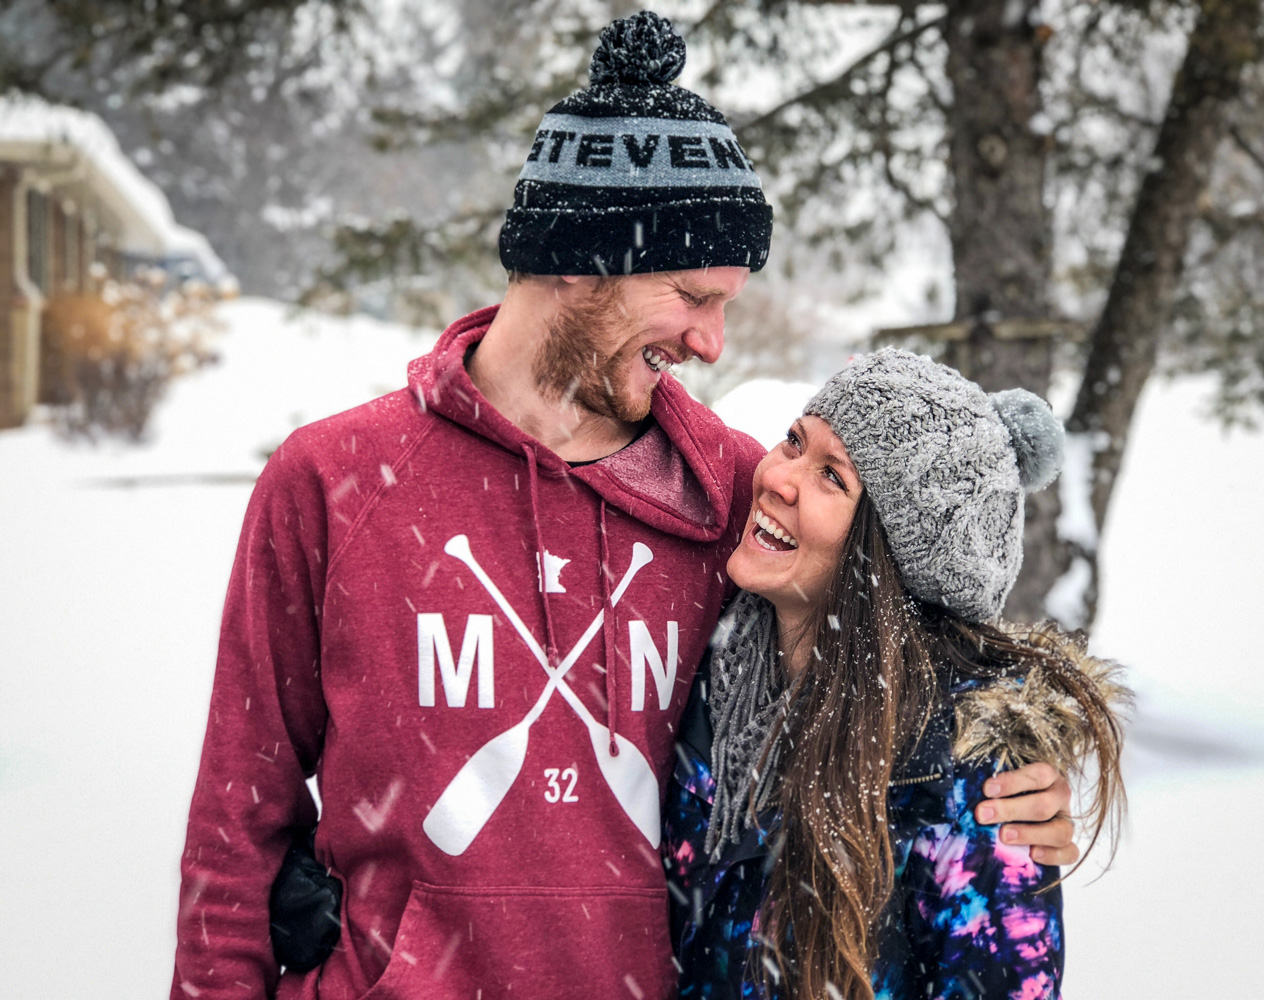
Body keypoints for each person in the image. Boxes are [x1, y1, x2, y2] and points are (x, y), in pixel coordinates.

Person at [170, 12, 1080, 1000]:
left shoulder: (736, 496)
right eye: (693, 294)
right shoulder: (334, 481)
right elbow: (237, 822)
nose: (711, 343)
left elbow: (904, 654)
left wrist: (1011, 789)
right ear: (581, 259)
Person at [665, 349, 1129, 1000]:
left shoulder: (963, 777)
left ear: (889, 557)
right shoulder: (716, 674)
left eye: (832, 476)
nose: (779, 478)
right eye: (794, 441)